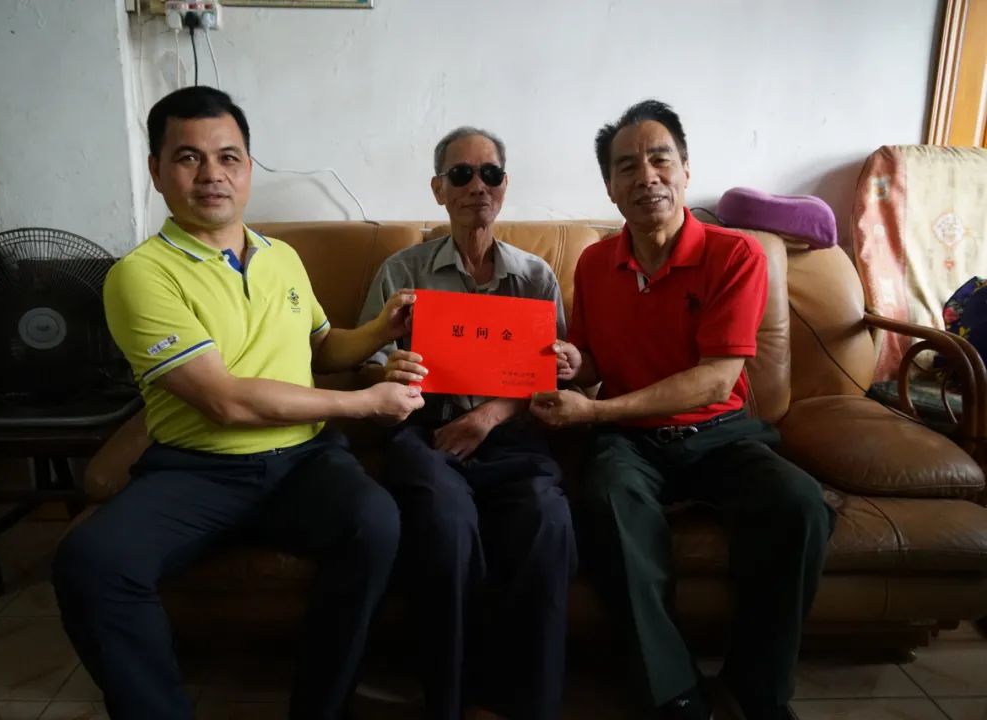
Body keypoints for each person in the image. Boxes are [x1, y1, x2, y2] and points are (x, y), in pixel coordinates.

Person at [52, 86, 425, 720]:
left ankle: (323, 705)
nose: (212, 175)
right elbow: (224, 402)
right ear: (156, 171)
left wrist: (379, 331)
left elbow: (322, 346)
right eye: (188, 158)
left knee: (376, 522)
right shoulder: (141, 275)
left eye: (228, 157)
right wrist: (366, 402)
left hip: (303, 461)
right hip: (196, 469)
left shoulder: (283, 258)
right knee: (91, 563)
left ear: (249, 168)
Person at [530, 100, 834, 720]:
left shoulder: (736, 255)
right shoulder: (594, 263)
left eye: (659, 158)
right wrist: (572, 361)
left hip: (720, 434)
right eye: (626, 167)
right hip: (630, 441)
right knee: (609, 503)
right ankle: (675, 694)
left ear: (686, 171)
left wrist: (594, 413)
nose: (646, 176)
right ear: (610, 188)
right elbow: (591, 359)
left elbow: (715, 379)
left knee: (800, 504)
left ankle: (757, 689)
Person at [357, 127, 577, 720]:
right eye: (461, 174)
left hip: (510, 434)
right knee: (447, 523)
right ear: (438, 189)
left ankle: (528, 704)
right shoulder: (402, 273)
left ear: (504, 186)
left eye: (490, 174)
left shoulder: (535, 277)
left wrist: (490, 414)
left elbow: (550, 378)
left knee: (548, 518)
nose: (478, 186)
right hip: (425, 431)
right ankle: (449, 701)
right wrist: (390, 369)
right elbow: (367, 364)